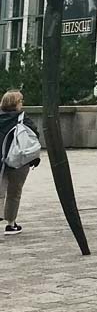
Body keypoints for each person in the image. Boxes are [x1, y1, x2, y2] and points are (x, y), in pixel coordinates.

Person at [0, 90, 41, 235]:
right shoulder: (23, 119)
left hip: (1, 161)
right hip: (19, 161)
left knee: (0, 191)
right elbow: (34, 137)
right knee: (14, 192)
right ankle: (10, 224)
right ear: (15, 104)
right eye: (20, 101)